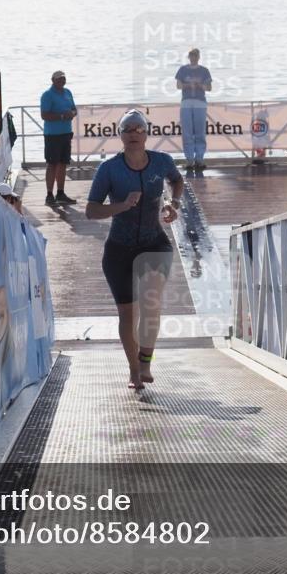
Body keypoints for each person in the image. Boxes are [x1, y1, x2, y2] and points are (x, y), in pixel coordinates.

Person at [85, 109, 185, 391]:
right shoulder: (109, 169)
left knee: (151, 303)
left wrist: (173, 205)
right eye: (128, 130)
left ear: (146, 134)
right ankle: (133, 370)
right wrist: (122, 205)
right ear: (120, 135)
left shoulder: (161, 161)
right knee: (129, 315)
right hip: (119, 249)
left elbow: (177, 181)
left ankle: (145, 362)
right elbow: (91, 211)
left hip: (155, 242)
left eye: (139, 129)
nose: (134, 135)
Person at [40, 70, 77, 206]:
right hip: (52, 135)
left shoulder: (68, 92)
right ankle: (49, 195)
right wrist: (62, 116)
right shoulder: (47, 95)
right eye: (59, 79)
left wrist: (71, 113)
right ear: (53, 80)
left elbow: (74, 110)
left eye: (63, 78)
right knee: (52, 164)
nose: (62, 81)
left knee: (63, 163)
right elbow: (44, 115)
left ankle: (60, 193)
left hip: (66, 133)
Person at [174, 48, 212, 170]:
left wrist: (200, 85)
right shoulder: (183, 70)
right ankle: (190, 160)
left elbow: (209, 88)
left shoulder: (204, 71)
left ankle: (199, 159)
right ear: (189, 57)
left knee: (200, 132)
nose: (193, 57)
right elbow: (178, 85)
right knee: (187, 132)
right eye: (191, 55)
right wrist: (189, 85)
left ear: (199, 57)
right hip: (186, 103)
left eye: (195, 55)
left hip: (200, 103)